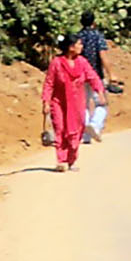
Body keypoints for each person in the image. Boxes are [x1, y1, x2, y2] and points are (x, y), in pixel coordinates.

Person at [40, 32, 105, 171]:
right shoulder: (56, 63)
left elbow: (93, 77)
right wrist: (46, 102)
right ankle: (61, 160)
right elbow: (49, 83)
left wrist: (99, 91)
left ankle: (72, 159)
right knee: (60, 129)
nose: (81, 46)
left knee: (75, 131)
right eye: (79, 44)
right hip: (59, 102)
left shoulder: (82, 62)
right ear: (71, 47)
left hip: (77, 104)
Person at [74, 15, 113, 145]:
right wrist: (111, 74)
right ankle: (95, 125)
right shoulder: (98, 36)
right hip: (95, 75)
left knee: (83, 104)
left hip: (79, 75)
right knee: (101, 104)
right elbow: (103, 55)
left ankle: (85, 135)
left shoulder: (77, 37)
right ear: (94, 23)